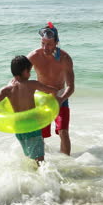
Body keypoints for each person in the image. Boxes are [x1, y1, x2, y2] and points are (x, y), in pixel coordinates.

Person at [0, 55, 58, 166]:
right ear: (24, 71)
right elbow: (53, 90)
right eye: (29, 71)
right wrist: (53, 102)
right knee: (40, 160)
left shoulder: (7, 89)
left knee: (29, 156)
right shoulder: (32, 84)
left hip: (19, 128)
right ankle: (44, 179)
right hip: (32, 125)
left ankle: (30, 178)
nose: (30, 74)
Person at [28, 22, 75, 155]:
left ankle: (67, 163)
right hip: (41, 98)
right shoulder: (33, 56)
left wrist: (61, 99)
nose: (45, 47)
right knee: (39, 134)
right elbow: (21, 76)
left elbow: (71, 87)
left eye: (49, 44)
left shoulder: (65, 59)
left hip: (60, 96)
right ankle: (42, 163)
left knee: (63, 131)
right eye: (42, 43)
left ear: (56, 42)